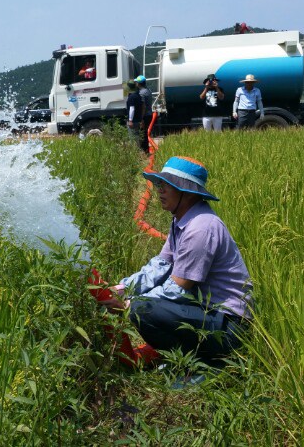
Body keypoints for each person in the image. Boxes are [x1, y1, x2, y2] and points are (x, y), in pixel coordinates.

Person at [95, 156, 253, 368]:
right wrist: (121, 289)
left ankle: (206, 365)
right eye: (159, 184)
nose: (159, 190)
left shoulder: (201, 228)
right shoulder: (181, 220)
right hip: (207, 314)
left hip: (228, 327)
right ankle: (182, 358)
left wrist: (127, 306)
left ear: (186, 192)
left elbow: (177, 289)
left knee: (144, 311)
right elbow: (159, 267)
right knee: (142, 307)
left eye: (166, 185)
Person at [136, 75, 153, 152]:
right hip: (149, 114)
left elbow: (143, 106)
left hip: (145, 116)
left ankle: (144, 151)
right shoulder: (148, 90)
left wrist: (141, 118)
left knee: (142, 134)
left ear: (139, 83)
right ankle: (146, 150)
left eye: (136, 82)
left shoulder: (142, 93)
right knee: (145, 133)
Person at [125, 80, 144, 147]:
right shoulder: (138, 95)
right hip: (138, 120)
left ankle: (135, 152)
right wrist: (141, 119)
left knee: (132, 138)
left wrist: (130, 120)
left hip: (133, 121)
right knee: (137, 137)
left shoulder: (131, 97)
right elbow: (142, 107)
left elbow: (132, 109)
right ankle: (138, 151)